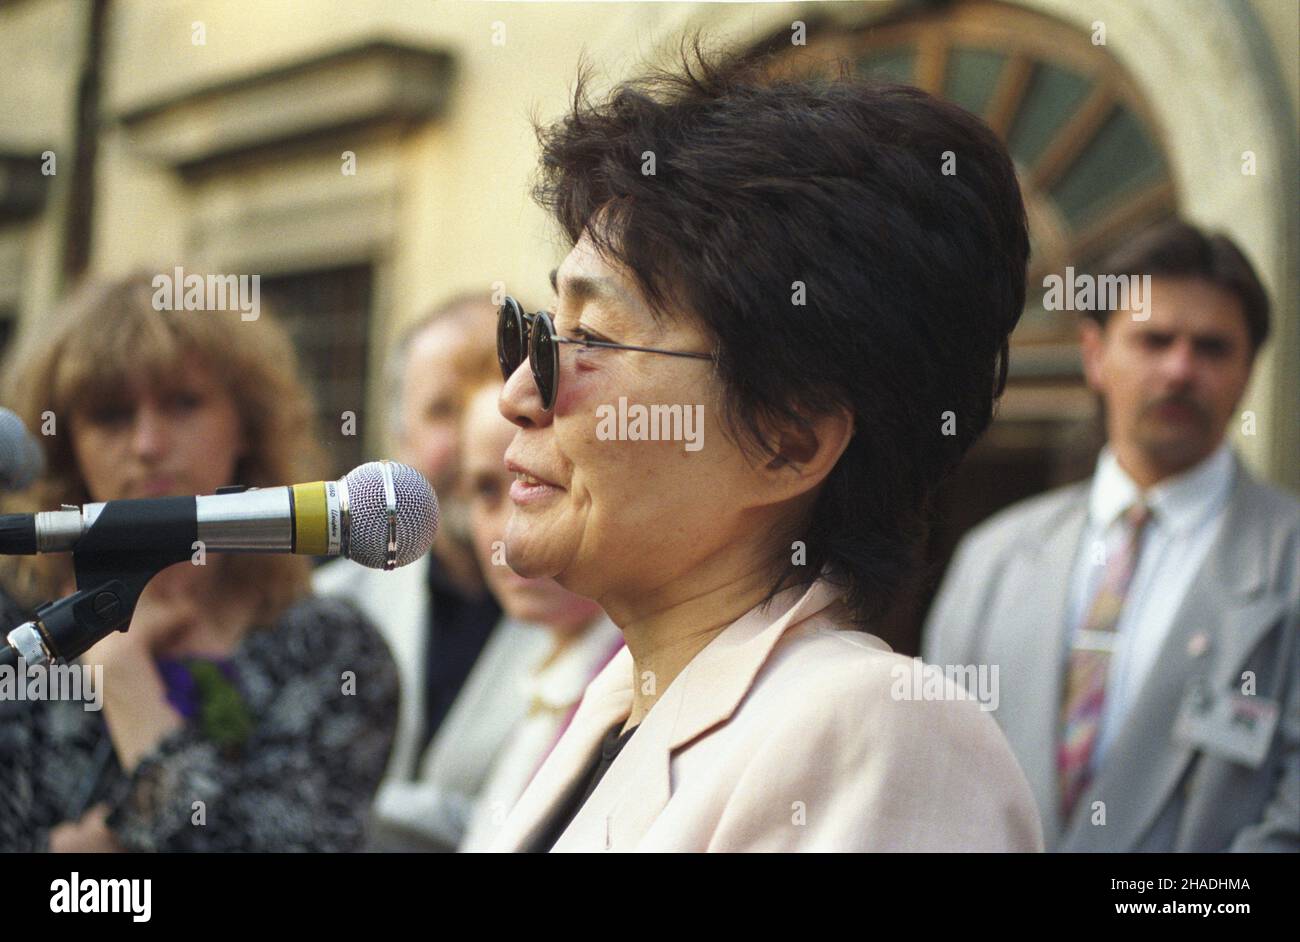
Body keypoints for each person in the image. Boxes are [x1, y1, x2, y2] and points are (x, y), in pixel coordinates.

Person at [485, 39, 1042, 852]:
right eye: (538, 333)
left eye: (592, 338)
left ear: (788, 441)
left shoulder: (877, 731)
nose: (518, 394)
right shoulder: (622, 699)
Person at [924, 219, 1299, 852]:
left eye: (1211, 348)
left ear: (1249, 369)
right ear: (1096, 354)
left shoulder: (1286, 560)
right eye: (1154, 340)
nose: (1180, 369)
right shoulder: (993, 559)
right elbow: (933, 772)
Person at [0, 272, 398, 852]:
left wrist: (123, 673)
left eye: (183, 403)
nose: (147, 444)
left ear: (245, 426)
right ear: (68, 445)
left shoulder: (332, 648)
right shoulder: (13, 625)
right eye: (110, 415)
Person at [314, 294, 548, 851]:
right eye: (445, 408)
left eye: (499, 392)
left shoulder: (603, 612)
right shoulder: (331, 603)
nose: (479, 430)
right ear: (399, 441)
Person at [455, 378, 622, 851]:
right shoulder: (543, 669)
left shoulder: (637, 675)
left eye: (542, 480)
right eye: (486, 490)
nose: (514, 526)